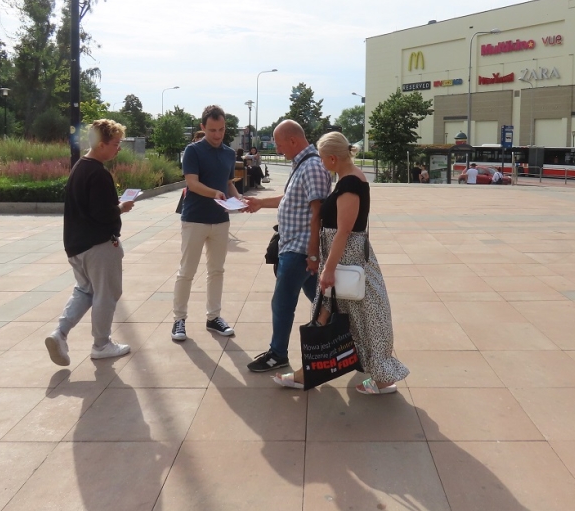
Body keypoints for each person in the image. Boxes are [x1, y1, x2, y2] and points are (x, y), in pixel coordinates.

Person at [273, 132, 409, 395]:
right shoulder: (350, 179)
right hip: (345, 260)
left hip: (345, 260)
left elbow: (344, 231)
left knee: (365, 316)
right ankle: (311, 371)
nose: (322, 164)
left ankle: (377, 376)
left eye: (323, 159)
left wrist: (328, 269)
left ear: (333, 158)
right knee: (339, 315)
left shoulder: (349, 184)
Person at [45, 119, 136, 366]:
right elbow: (102, 213)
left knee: (85, 290)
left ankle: (60, 333)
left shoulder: (79, 167)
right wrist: (121, 207)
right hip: (99, 245)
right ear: (101, 144)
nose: (119, 148)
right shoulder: (98, 173)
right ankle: (101, 344)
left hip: (76, 245)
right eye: (115, 143)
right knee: (106, 293)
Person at [244, 120, 332, 372]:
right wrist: (260, 203)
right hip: (296, 248)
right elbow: (292, 199)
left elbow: (318, 213)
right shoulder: (303, 164)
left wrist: (313, 254)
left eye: (280, 144)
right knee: (322, 302)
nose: (278, 149)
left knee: (282, 302)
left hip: (301, 250)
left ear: (293, 141)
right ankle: (347, 341)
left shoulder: (312, 166)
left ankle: (278, 354)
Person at [170, 105, 243, 342]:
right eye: (212, 130)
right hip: (195, 219)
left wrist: (239, 199)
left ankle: (214, 317)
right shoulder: (193, 151)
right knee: (187, 271)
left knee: (217, 270)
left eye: (221, 129)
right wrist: (214, 193)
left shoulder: (229, 153)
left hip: (220, 220)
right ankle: (179, 319)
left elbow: (228, 183)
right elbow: (192, 183)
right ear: (203, 127)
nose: (217, 134)